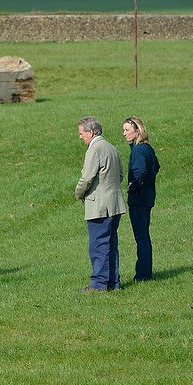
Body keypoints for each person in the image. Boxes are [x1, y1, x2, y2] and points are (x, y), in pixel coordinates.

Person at [74, 116, 127, 292]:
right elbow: (120, 175)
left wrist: (79, 193)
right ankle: (113, 282)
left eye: (81, 133)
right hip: (115, 204)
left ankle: (98, 284)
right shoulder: (111, 147)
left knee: (98, 246)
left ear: (90, 132)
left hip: (99, 206)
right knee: (111, 244)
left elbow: (87, 178)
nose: (80, 137)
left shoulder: (94, 149)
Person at [123, 116, 161, 281]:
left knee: (141, 238)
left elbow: (140, 172)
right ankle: (145, 272)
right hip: (148, 198)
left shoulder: (138, 150)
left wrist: (132, 187)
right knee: (144, 236)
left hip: (138, 200)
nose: (124, 134)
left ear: (137, 131)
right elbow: (156, 166)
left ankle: (143, 275)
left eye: (127, 130)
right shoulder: (148, 148)